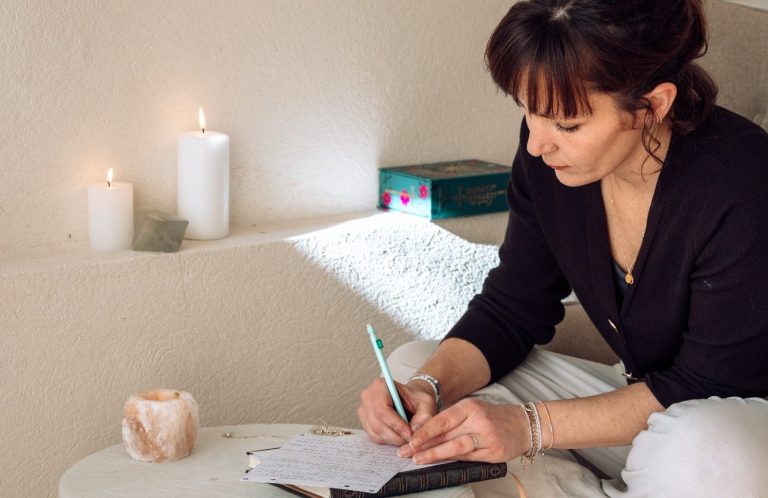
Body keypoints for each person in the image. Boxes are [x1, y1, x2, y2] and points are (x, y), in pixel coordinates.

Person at [357, 1, 768, 496]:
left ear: (654, 105)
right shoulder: (551, 162)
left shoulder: (741, 182)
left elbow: (704, 385)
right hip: (652, 406)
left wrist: (528, 426)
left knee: (702, 449)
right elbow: (514, 306)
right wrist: (425, 390)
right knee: (417, 369)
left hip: (738, 418)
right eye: (529, 111)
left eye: (567, 125)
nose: (536, 144)